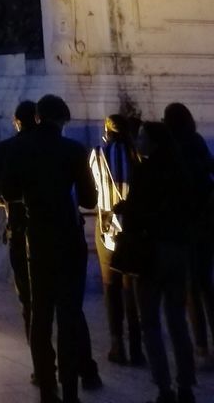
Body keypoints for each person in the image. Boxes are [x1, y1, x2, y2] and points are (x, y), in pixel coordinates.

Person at [3, 93, 98, 403]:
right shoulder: (73, 150)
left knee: (40, 315)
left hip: (37, 239)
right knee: (69, 314)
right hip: (69, 238)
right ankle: (71, 390)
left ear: (38, 117)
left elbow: (7, 191)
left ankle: (47, 386)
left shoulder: (19, 148)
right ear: (63, 119)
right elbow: (88, 200)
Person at [117, 121, 197, 403]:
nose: (138, 141)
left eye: (142, 137)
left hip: (150, 252)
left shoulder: (144, 171)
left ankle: (164, 388)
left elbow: (138, 212)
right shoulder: (181, 171)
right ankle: (186, 386)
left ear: (154, 143)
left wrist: (124, 209)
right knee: (177, 320)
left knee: (150, 322)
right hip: (177, 250)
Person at [89, 112, 143, 366]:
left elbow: (93, 190)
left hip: (106, 226)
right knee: (130, 286)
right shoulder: (138, 156)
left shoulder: (98, 153)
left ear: (108, 131)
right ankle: (136, 345)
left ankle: (116, 343)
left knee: (110, 286)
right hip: (132, 228)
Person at [163, 103, 214, 367]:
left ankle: (201, 347)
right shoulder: (197, 142)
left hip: (182, 228)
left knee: (191, 288)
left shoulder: (171, 149)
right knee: (206, 286)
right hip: (204, 225)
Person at [0, 99, 37, 340]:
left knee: (26, 287)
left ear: (17, 122)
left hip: (19, 222)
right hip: (57, 225)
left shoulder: (5, 149)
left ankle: (34, 339)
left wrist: (8, 202)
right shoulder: (64, 147)